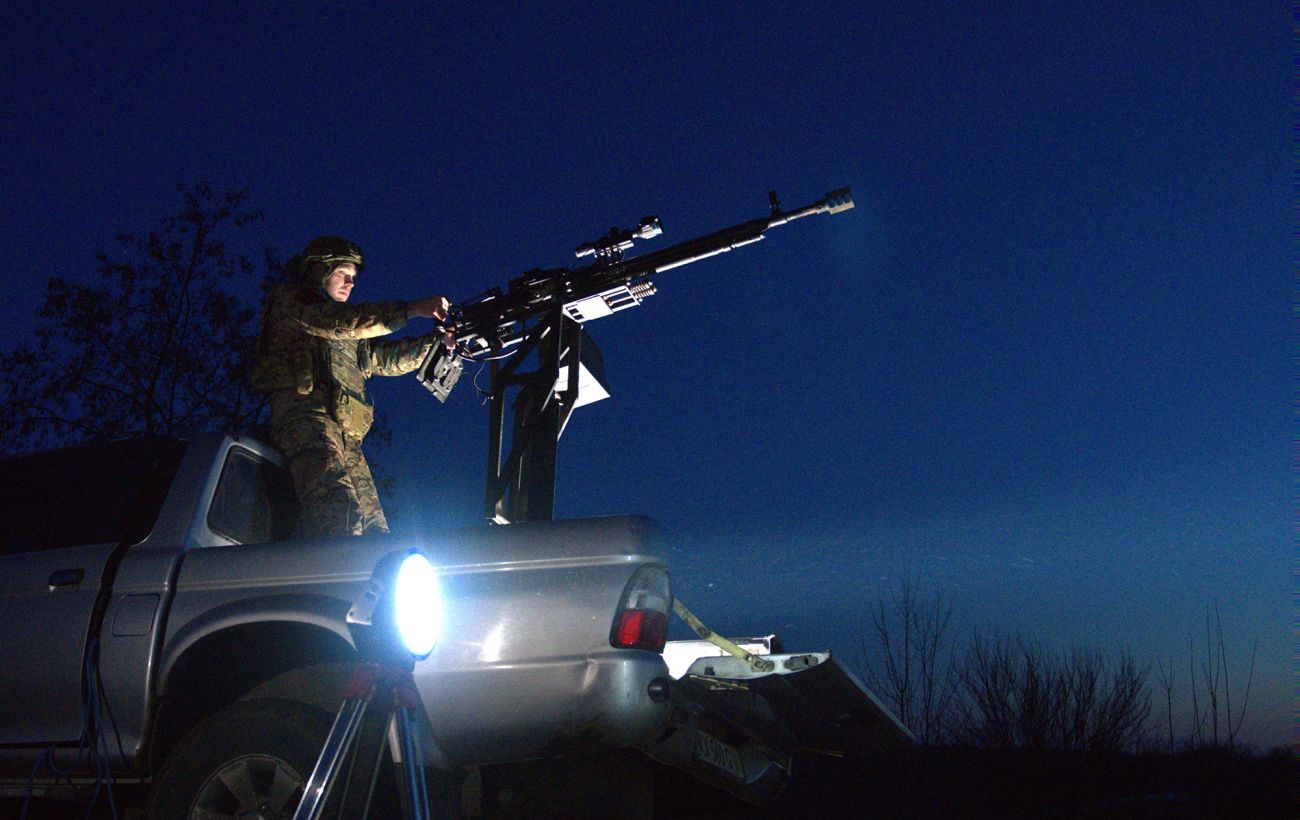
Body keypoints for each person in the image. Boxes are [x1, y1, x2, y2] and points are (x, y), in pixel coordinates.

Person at [250, 236, 451, 537]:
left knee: (375, 530)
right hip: (306, 419)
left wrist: (440, 342)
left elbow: (385, 359)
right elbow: (339, 321)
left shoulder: (346, 333)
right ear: (319, 270)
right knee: (340, 512)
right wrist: (411, 310)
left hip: (345, 434)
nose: (351, 283)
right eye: (343, 273)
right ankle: (331, 569)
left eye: (353, 277)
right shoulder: (295, 301)